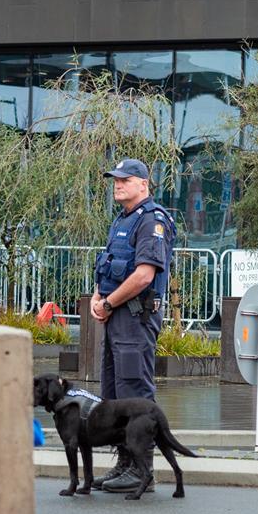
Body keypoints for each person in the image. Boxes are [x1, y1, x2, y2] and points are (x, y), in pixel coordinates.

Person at [89, 158, 177, 493]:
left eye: (126, 180)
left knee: (135, 394)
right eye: (115, 179)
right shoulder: (123, 220)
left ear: (144, 184)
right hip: (117, 319)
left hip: (135, 318)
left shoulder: (152, 221)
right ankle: (124, 464)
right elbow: (109, 268)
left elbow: (143, 275)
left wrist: (109, 303)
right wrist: (99, 298)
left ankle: (143, 472)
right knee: (113, 396)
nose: (118, 184)